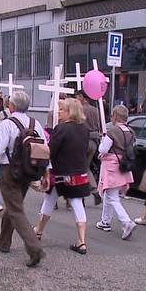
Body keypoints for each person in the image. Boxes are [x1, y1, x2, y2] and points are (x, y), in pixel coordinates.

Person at [0, 91, 46, 267]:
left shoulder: (7, 124)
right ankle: (4, 241)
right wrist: (46, 172)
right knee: (14, 206)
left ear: (11, 106)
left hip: (9, 170)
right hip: (29, 170)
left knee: (15, 210)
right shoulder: (35, 123)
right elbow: (44, 149)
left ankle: (34, 247)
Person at [33, 99, 90, 254]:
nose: (59, 112)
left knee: (49, 201)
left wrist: (43, 167)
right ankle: (82, 241)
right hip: (78, 173)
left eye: (62, 110)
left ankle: (38, 230)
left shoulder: (62, 128)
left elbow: (51, 150)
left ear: (70, 112)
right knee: (77, 204)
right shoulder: (84, 129)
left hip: (59, 173)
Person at [95, 105, 137, 239]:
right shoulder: (131, 131)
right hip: (124, 164)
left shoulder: (112, 131)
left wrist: (102, 140)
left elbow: (103, 149)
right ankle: (105, 222)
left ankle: (126, 222)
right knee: (109, 194)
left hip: (112, 165)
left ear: (114, 116)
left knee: (112, 196)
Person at [75, 90, 103, 205]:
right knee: (86, 168)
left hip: (82, 141)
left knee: (78, 169)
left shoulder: (79, 110)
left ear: (82, 97)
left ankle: (80, 195)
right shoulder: (96, 110)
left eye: (77, 97)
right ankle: (94, 190)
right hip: (94, 142)